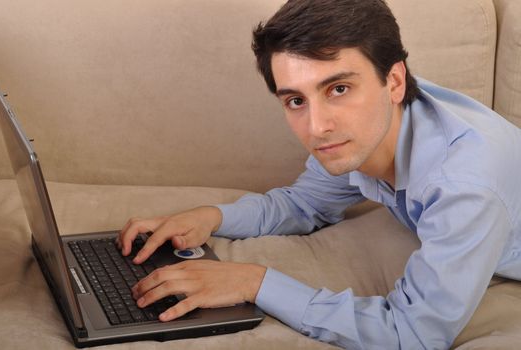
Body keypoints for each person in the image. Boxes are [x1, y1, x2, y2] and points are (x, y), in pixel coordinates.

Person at [117, 0, 521, 348]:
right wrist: (211, 217)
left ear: (394, 80)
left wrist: (254, 282)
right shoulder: (366, 129)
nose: (316, 127)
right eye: (295, 100)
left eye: (338, 89)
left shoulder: (464, 186)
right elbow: (304, 203)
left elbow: (411, 334)